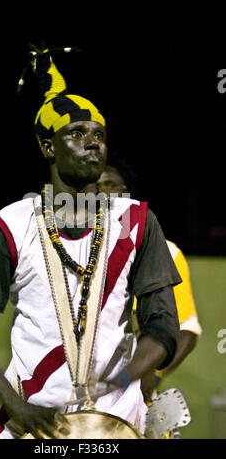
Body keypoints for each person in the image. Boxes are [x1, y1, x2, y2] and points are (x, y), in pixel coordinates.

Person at [0, 48, 181, 439]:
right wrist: (15, 405)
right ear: (48, 147)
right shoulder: (11, 224)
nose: (93, 143)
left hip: (117, 418)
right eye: (77, 133)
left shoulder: (136, 221)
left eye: (99, 135)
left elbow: (163, 326)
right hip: (33, 418)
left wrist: (124, 378)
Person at [98, 161, 202, 412]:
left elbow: (185, 331)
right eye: (94, 185)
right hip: (70, 397)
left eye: (109, 184)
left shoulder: (164, 251)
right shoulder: (67, 251)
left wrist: (151, 374)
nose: (100, 192)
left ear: (126, 194)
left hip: (133, 398)